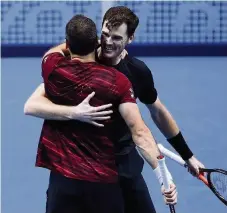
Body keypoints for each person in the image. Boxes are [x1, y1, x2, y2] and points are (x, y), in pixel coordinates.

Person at [24, 6, 202, 213]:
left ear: (130, 38)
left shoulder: (136, 72)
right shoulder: (76, 63)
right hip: (85, 169)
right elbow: (33, 104)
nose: (108, 42)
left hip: (123, 164)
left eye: (117, 38)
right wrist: (75, 113)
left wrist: (186, 156)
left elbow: (156, 114)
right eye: (105, 34)